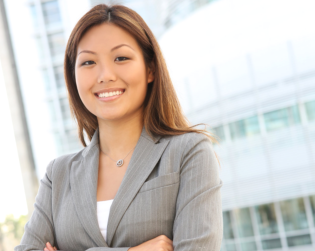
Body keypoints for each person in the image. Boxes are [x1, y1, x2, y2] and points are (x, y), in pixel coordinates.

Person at [15, 4, 223, 251]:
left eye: (121, 58)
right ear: (73, 77)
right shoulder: (58, 174)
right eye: (88, 62)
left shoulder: (189, 152)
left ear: (150, 69)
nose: (105, 75)